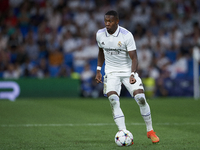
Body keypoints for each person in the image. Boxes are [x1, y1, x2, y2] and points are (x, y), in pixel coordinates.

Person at [95, 10, 159, 144]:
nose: (107, 24)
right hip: (111, 73)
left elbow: (134, 58)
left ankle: (150, 130)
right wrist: (99, 70)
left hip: (127, 71)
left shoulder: (126, 35)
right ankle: (123, 132)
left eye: (110, 21)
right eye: (106, 21)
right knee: (113, 99)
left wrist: (132, 74)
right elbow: (101, 52)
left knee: (141, 98)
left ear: (117, 21)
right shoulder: (100, 34)